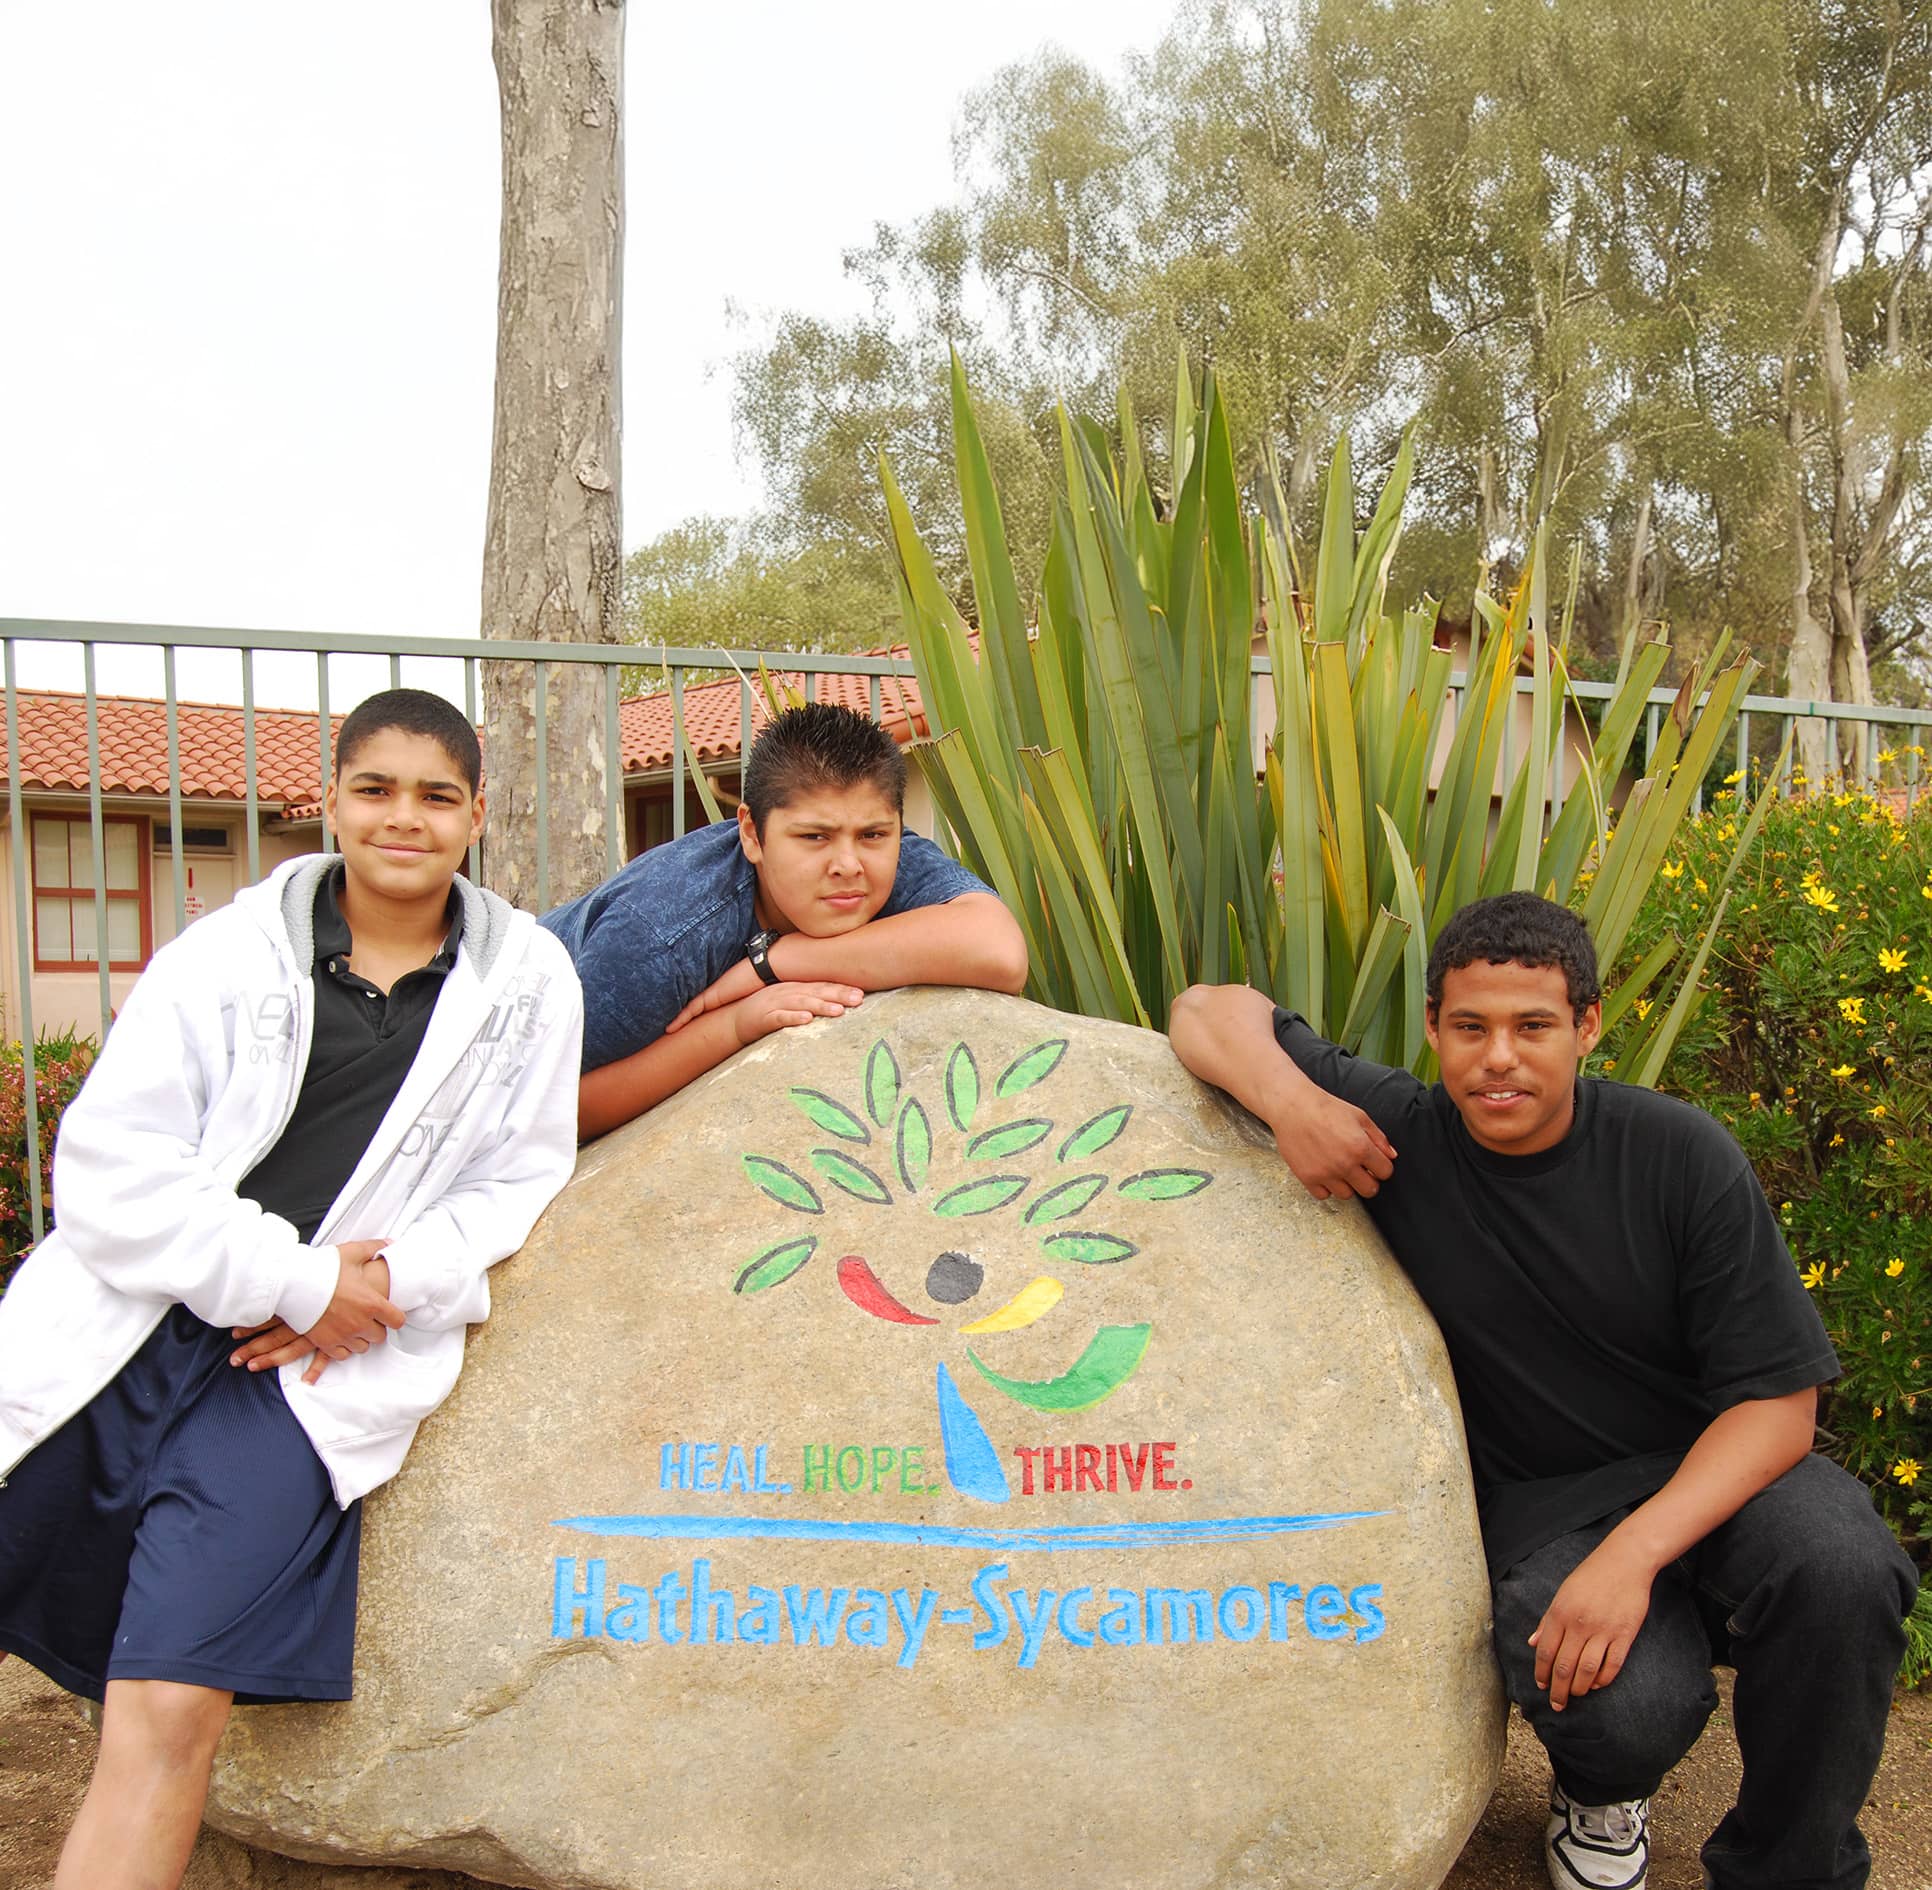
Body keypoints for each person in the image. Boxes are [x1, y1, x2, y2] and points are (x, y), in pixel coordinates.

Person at [1168, 892, 1917, 1890]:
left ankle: (1792, 1869)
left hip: (1716, 1477)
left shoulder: (1678, 1158)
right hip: (1546, 1510)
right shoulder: (1404, 1137)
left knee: (1843, 1569)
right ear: (1432, 1026)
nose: (1500, 1058)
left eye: (1534, 1027)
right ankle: (1602, 1799)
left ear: (1588, 1025)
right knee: (1628, 1704)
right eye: (1470, 1028)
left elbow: (1780, 1407)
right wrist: (1297, 1103)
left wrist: (1638, 1552)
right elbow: (1207, 1009)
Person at [0, 688, 583, 1890]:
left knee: (167, 1712)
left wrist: (384, 1287)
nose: (402, 819)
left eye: (435, 796)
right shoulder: (221, 955)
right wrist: (295, 1275)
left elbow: (519, 1178)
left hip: (296, 1386)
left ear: (478, 813)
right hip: (123, 1332)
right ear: (329, 802)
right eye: (374, 789)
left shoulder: (530, 983)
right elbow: (108, 1174)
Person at [542, 700, 1028, 1139]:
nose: (848, 864)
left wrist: (777, 959)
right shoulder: (659, 931)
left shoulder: (879, 854)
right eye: (814, 837)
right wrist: (735, 1026)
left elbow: (999, 952)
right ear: (752, 834)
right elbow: (551, 1109)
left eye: (874, 834)